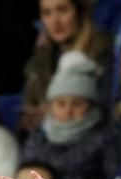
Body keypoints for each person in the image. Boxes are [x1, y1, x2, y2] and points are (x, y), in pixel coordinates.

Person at [20, 51, 119, 179]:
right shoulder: (38, 137)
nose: (68, 110)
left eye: (77, 103)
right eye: (61, 103)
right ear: (51, 106)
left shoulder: (104, 138)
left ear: (90, 105)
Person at [20, 0, 112, 134]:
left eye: (63, 10)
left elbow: (107, 110)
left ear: (80, 12)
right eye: (47, 13)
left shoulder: (106, 53)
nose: (55, 21)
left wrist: (53, 113)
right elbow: (30, 105)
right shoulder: (39, 62)